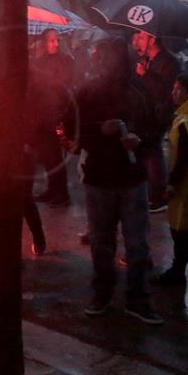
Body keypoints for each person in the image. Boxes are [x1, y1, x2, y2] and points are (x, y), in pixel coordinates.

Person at [64, 37, 162, 324]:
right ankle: (103, 293)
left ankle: (137, 298)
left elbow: (154, 128)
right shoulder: (86, 92)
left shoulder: (140, 90)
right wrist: (99, 131)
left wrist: (139, 141)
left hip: (132, 178)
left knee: (136, 243)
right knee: (102, 241)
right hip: (100, 177)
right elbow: (71, 128)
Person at [152, 73, 188, 286]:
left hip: (187, 184)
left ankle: (177, 272)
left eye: (178, 89)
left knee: (181, 229)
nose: (173, 92)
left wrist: (172, 184)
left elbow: (185, 158)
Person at [131, 30, 181, 213]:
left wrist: (146, 74)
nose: (139, 40)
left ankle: (158, 196)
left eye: (142, 37)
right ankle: (152, 192)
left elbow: (165, 91)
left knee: (153, 151)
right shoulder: (151, 60)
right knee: (148, 151)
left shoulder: (169, 62)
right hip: (148, 113)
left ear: (152, 40)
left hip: (159, 114)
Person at [31, 29, 74, 207]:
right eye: (51, 41)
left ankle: (62, 193)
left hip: (56, 112)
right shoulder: (39, 61)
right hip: (41, 112)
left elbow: (65, 84)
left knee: (55, 156)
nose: (55, 44)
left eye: (57, 40)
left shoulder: (65, 61)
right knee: (47, 155)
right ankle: (52, 189)